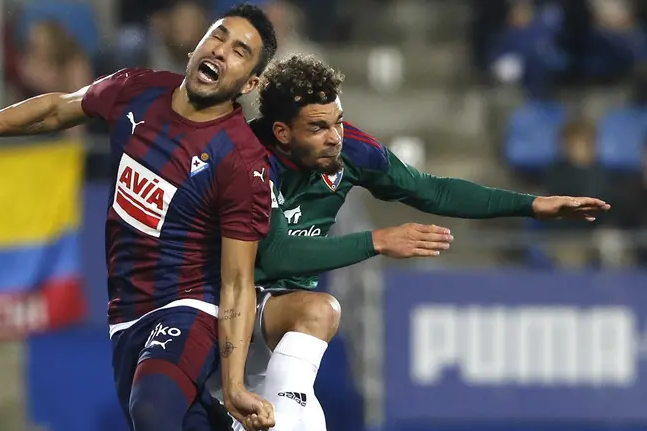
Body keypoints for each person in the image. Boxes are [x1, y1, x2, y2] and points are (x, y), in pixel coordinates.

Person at [0, 4, 280, 431]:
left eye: (238, 51)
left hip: (189, 303)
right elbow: (57, 109)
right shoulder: (137, 88)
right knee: (173, 420)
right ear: (197, 43)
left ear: (250, 82)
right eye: (218, 35)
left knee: (154, 411)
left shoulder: (241, 161)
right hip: (127, 311)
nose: (220, 51)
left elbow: (236, 282)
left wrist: (233, 387)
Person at [235, 54, 611, 431]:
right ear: (283, 133)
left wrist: (531, 205)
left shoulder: (350, 150)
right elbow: (276, 253)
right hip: (225, 310)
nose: (335, 137)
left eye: (338, 121)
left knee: (306, 417)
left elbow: (431, 190)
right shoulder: (245, 158)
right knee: (320, 310)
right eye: (318, 127)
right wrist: (376, 241)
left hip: (276, 322)